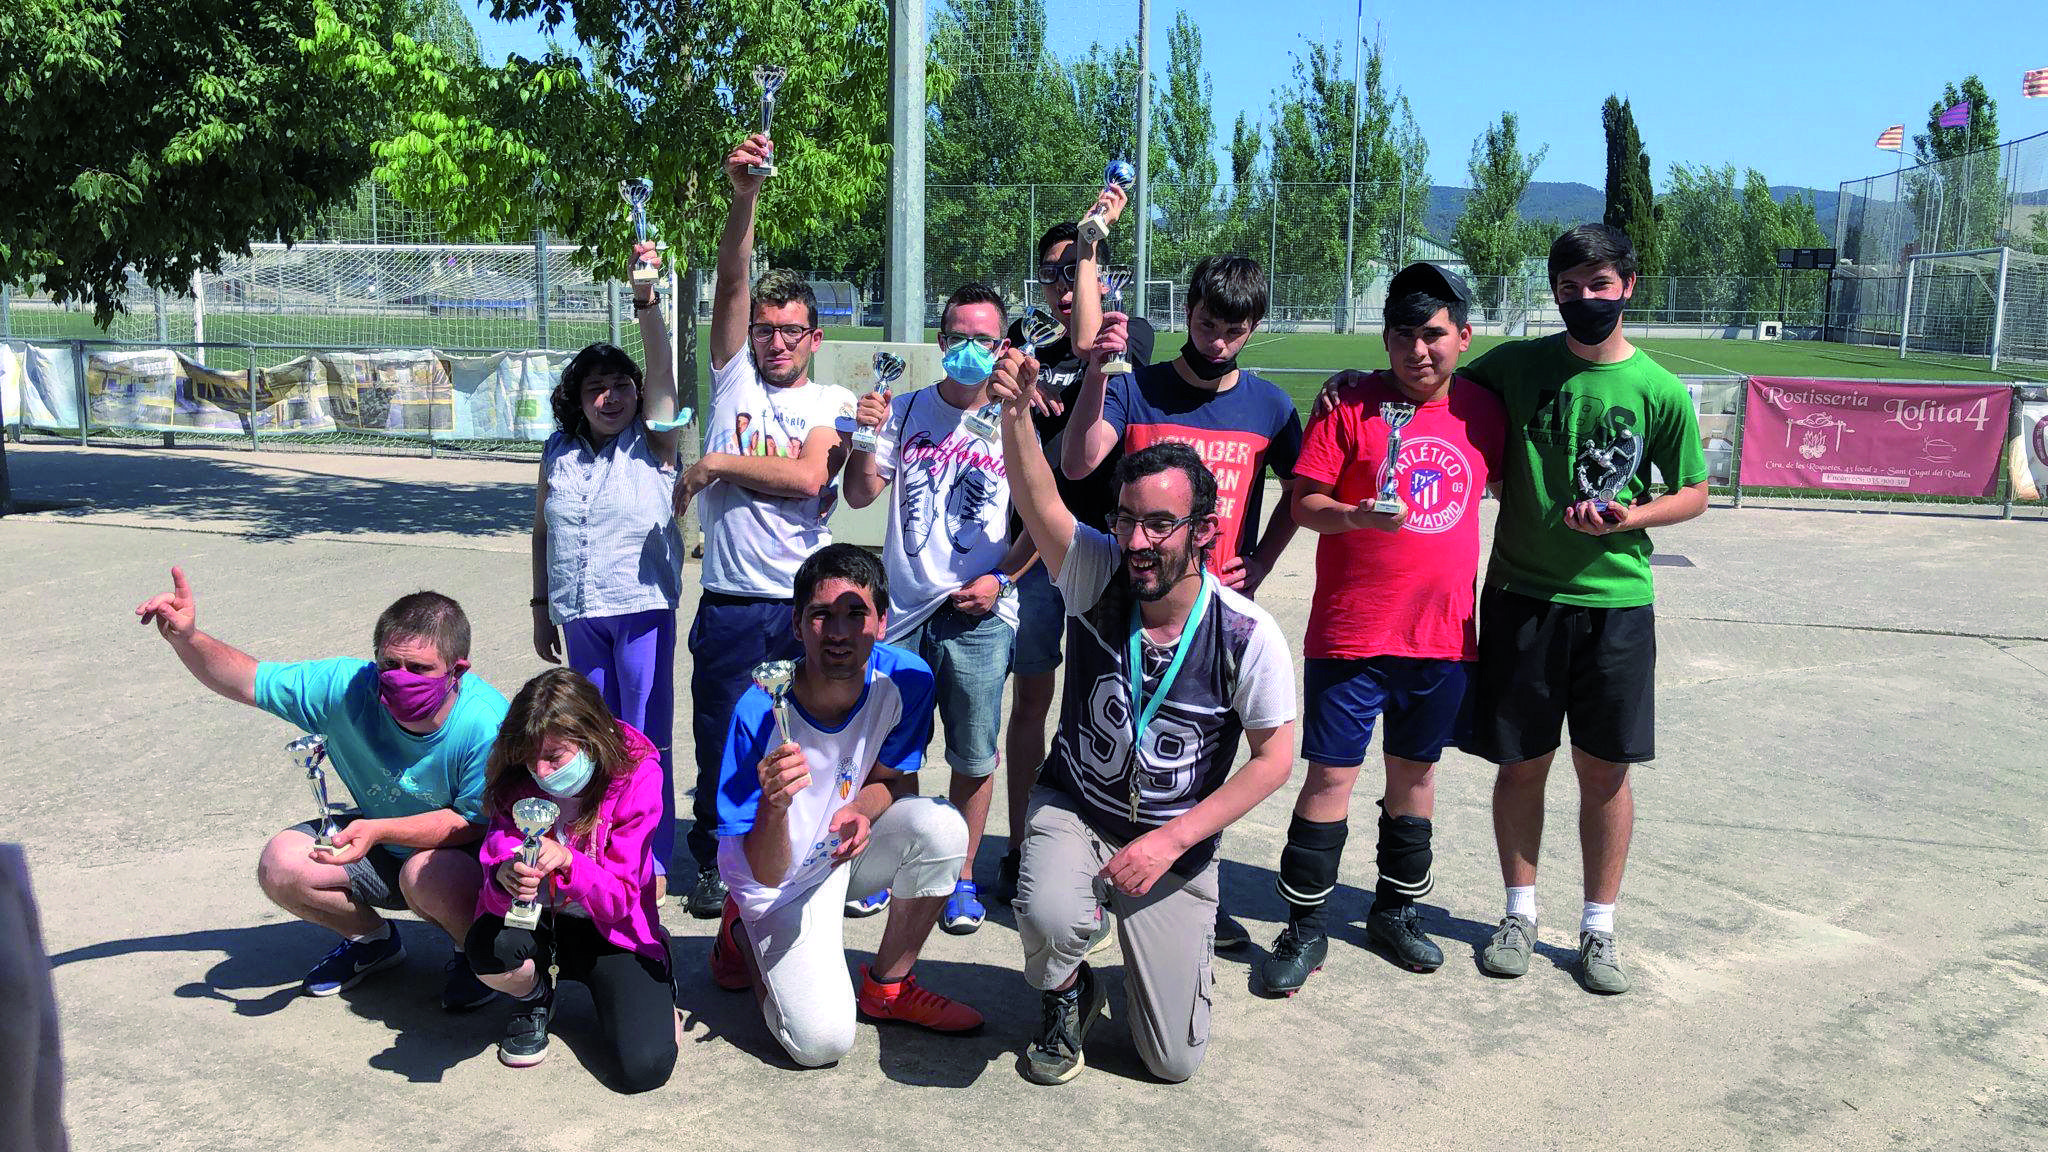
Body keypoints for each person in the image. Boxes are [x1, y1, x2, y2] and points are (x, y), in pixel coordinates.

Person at [990, 350, 1296, 1086]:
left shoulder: (1245, 632)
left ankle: (1159, 955)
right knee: (1048, 914)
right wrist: (1013, 414)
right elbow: (1040, 500)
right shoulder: (1098, 573)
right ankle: (1065, 991)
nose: (1137, 542)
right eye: (1127, 521)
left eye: (1160, 525)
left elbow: (1276, 757)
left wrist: (1173, 843)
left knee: (1171, 1063)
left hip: (1173, 836)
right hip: (1081, 805)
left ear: (1204, 530)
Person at [1460, 224, 1708, 995]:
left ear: (1629, 286)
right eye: (1569, 288)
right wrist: (1355, 388)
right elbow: (1436, 384)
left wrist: (1630, 519)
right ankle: (1518, 913)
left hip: (1616, 605)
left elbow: (1693, 491)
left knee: (1604, 773)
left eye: (1599, 286)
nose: (1584, 300)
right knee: (1521, 764)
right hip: (1521, 596)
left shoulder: (1658, 389)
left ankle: (1598, 929)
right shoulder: (1518, 364)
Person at [1256, 262, 1506, 996]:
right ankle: (1304, 926)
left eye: (1434, 335)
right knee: (1331, 774)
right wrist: (1356, 515)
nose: (1418, 351)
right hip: (1352, 631)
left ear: (1464, 336)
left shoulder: (1485, 410)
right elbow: (1303, 503)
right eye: (1402, 336)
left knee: (1417, 776)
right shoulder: (1352, 403)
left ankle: (1395, 911)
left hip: (1443, 635)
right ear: (1385, 339)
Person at [1058, 252, 1303, 949]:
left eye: (1232, 329)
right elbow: (1077, 462)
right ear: (1186, 311)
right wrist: (1097, 377)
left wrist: (1263, 559)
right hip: (1131, 607)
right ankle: (1082, 882)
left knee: (1198, 770)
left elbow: (1302, 490)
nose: (1215, 340)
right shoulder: (1139, 388)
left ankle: (1188, 886)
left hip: (1213, 615)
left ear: (1254, 327)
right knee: (1112, 746)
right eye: (1204, 322)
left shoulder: (1270, 406)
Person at [134, 574, 506, 1009]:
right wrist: (188, 638)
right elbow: (247, 680)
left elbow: (469, 823)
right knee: (282, 864)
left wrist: (379, 830)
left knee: (425, 874)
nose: (400, 677)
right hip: (379, 841)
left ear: (457, 670)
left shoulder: (486, 722)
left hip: (456, 863)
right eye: (390, 664)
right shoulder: (346, 687)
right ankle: (372, 942)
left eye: (419, 669)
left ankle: (476, 954)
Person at [707, 544, 983, 1068]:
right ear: (796, 624)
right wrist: (773, 804)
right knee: (821, 1045)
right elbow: (765, 870)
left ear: (882, 622)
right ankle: (742, 932)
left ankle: (889, 987)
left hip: (840, 850)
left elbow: (894, 784)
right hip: (775, 881)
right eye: (821, 615)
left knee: (944, 829)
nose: (837, 632)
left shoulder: (908, 680)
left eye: (855, 614)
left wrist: (864, 808)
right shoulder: (759, 708)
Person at [674, 132, 857, 920]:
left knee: (805, 735)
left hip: (802, 605)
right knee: (720, 733)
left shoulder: (833, 403)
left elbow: (813, 476)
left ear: (816, 338)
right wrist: (743, 195)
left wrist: (716, 464)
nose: (774, 342)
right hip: (731, 599)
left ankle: (806, 845)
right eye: (765, 329)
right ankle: (717, 852)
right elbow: (730, 280)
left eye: (791, 332)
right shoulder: (732, 379)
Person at [843, 283, 1034, 934]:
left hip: (980, 618)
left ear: (1002, 345)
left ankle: (960, 878)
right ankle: (891, 869)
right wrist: (865, 436)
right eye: (958, 337)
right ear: (940, 340)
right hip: (906, 614)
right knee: (893, 756)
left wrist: (1003, 581)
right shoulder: (908, 409)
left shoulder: (1016, 419)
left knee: (974, 757)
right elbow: (861, 496)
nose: (970, 350)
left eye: (984, 339)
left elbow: (1043, 522)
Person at [994, 204, 1158, 908]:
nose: (1063, 284)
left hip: (1098, 555)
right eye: (1052, 272)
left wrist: (1092, 240)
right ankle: (1026, 845)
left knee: (1115, 704)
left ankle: (1121, 848)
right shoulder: (1025, 343)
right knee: (1030, 701)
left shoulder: (1126, 338)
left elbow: (1091, 344)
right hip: (1033, 550)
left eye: (1076, 270)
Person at [531, 240, 685, 894]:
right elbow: (541, 531)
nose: (611, 397)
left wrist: (645, 298)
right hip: (580, 615)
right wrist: (540, 607)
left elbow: (662, 370)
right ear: (578, 399)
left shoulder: (654, 440)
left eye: (622, 384)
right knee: (588, 737)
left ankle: (648, 859)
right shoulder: (557, 453)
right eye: (597, 388)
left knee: (643, 738)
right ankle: (593, 846)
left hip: (641, 610)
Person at [466, 669, 678, 1091]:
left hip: (611, 928)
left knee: (644, 1068)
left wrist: (568, 861)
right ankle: (534, 995)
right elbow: (495, 869)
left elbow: (620, 900)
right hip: (543, 922)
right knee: (486, 949)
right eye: (529, 757)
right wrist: (504, 877)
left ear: (591, 738)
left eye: (555, 756)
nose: (540, 771)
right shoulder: (517, 779)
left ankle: (657, 960)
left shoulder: (638, 776)